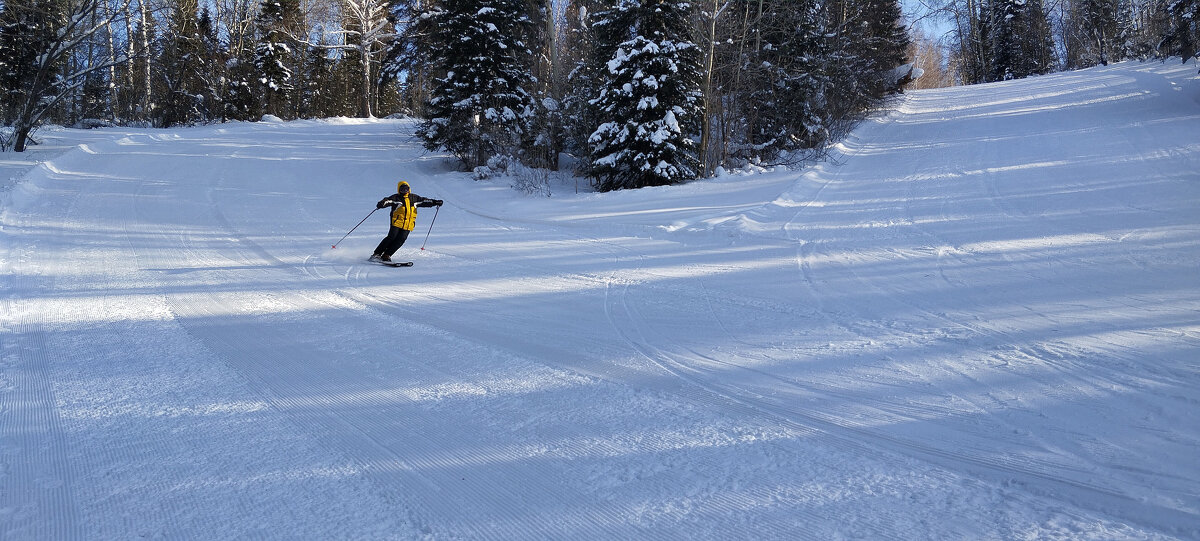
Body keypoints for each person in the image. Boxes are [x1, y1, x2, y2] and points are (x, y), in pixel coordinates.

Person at [370, 181, 443, 262]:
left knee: (401, 240)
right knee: (391, 237)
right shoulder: (396, 197)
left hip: (408, 224)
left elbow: (425, 201)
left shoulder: (414, 198)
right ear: (399, 190)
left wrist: (435, 202)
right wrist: (382, 204)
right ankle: (376, 254)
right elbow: (387, 201)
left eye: (406, 189)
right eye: (402, 189)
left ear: (409, 189)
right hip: (397, 222)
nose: (405, 191)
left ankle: (387, 255)